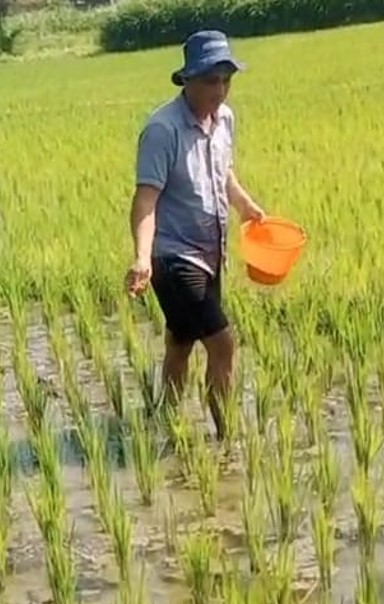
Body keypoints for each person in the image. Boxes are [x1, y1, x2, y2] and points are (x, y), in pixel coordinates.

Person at [124, 30, 265, 440]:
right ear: (187, 80)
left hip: (211, 252)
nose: (220, 90)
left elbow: (224, 173)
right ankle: (227, 437)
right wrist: (142, 257)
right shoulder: (162, 130)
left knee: (181, 340)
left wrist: (246, 206)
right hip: (173, 258)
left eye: (226, 80)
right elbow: (145, 200)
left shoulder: (225, 120)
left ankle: (165, 422)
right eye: (210, 80)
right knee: (223, 344)